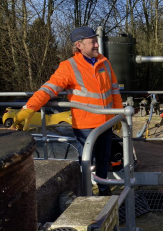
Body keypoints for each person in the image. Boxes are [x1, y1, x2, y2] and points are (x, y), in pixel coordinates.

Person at [12, 26, 123, 196]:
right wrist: (30, 108)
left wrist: (118, 115)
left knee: (103, 159)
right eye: (92, 42)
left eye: (95, 41)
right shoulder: (69, 66)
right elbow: (48, 89)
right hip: (86, 126)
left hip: (106, 123)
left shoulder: (104, 62)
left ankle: (103, 189)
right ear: (79, 45)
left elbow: (114, 91)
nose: (96, 45)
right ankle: (85, 193)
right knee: (86, 161)